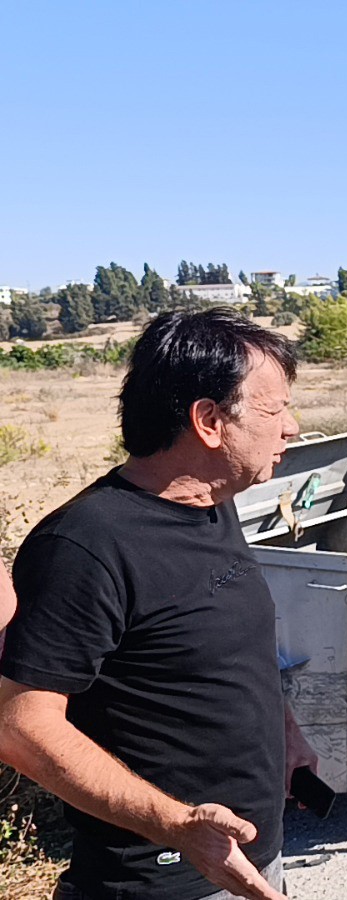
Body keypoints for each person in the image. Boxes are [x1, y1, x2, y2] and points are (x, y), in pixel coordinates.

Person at [0, 308, 298, 900]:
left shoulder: (213, 504)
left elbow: (228, 652)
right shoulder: (86, 545)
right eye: (273, 410)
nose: (291, 426)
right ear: (209, 421)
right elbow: (20, 726)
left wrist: (287, 735)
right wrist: (179, 827)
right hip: (157, 882)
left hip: (253, 857)